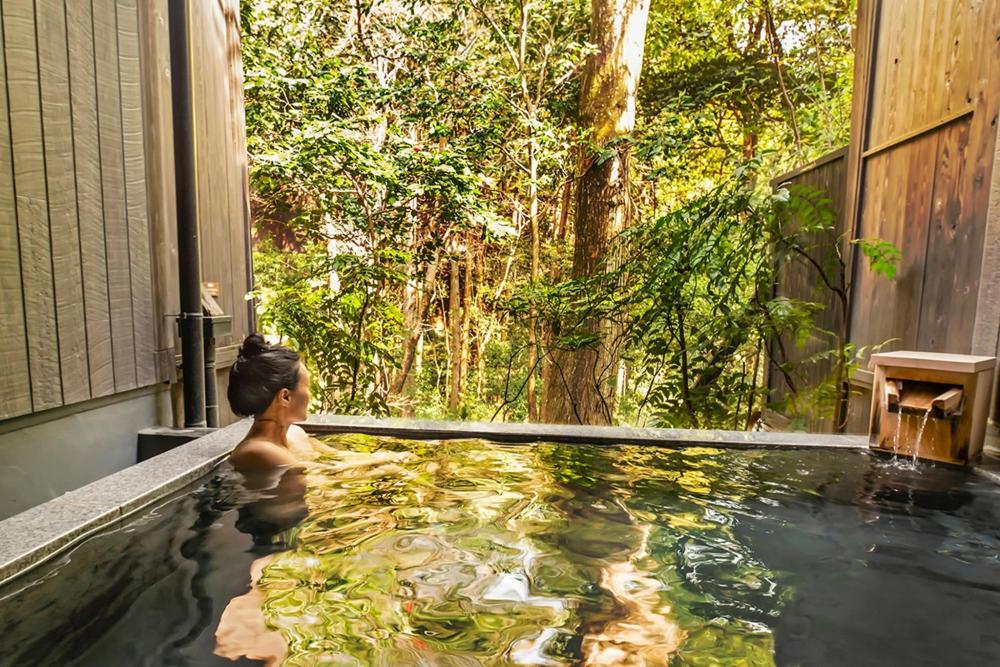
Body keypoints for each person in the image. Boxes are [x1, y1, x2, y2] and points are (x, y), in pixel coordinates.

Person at [227, 333, 313, 473]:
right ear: (285, 397)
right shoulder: (258, 450)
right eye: (308, 386)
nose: (310, 394)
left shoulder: (296, 434)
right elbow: (318, 481)